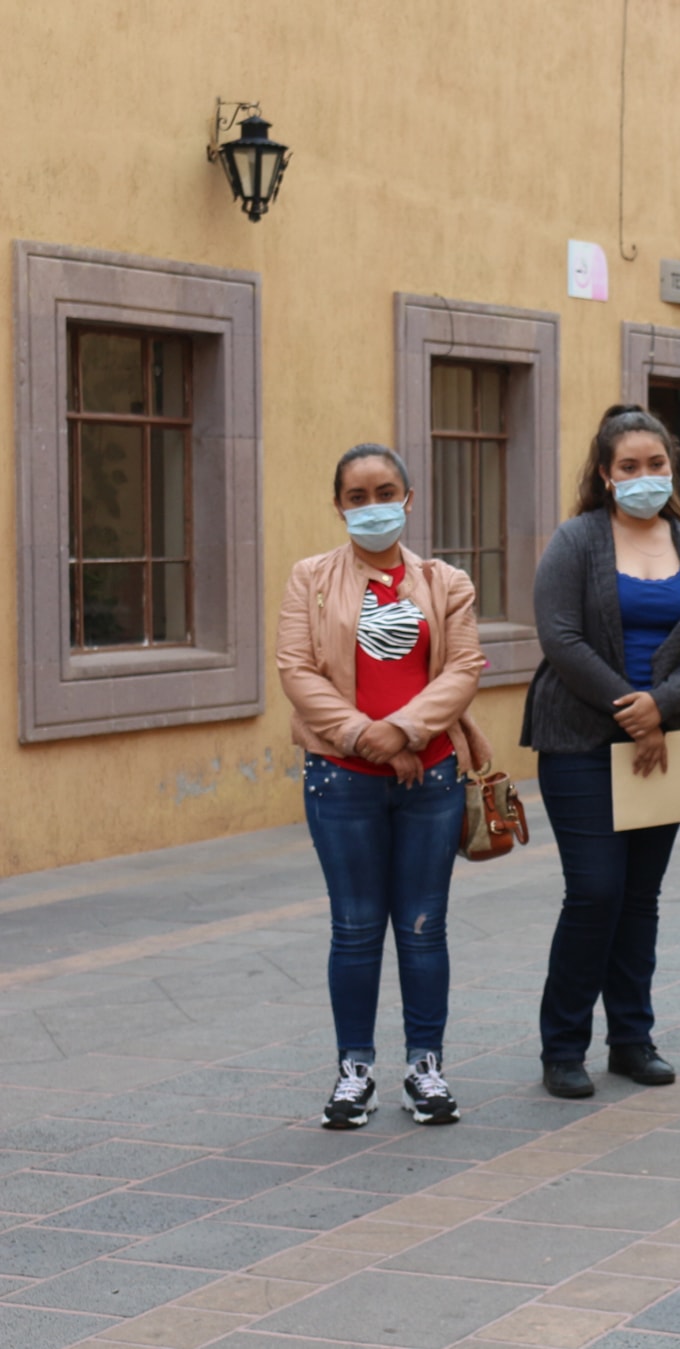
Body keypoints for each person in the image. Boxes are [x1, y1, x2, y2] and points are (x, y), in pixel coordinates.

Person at [521, 404, 680, 1099]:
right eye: (630, 467)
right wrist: (630, 708)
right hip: (579, 739)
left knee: (640, 897)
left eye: (657, 464)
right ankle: (562, 1045)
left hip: (666, 742)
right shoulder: (577, 540)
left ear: (672, 468)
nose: (646, 477)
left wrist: (660, 708)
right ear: (606, 475)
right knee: (595, 890)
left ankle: (632, 1039)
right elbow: (559, 636)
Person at [278, 443, 489, 1129]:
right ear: (339, 504)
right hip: (341, 779)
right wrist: (363, 737)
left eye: (385, 491)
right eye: (358, 495)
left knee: (424, 928)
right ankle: (354, 1071)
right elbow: (296, 670)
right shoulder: (308, 578)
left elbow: (462, 669)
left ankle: (425, 1067)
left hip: (430, 777)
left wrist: (400, 732)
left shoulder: (446, 581)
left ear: (410, 497)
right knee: (356, 925)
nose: (373, 506)